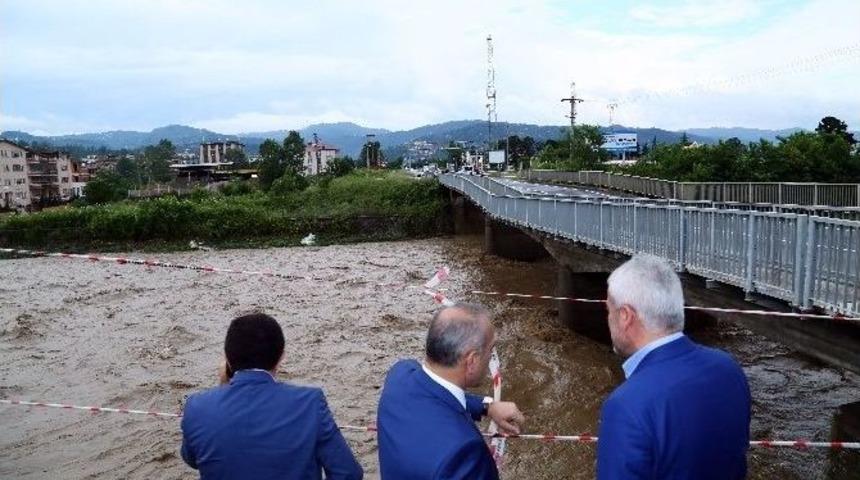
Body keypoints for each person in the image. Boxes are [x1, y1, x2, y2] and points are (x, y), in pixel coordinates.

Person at [597, 254, 751, 480]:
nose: (607, 319)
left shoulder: (626, 405)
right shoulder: (728, 368)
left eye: (609, 310)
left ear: (625, 316)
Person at [180, 313, 363, 480]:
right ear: (281, 357)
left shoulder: (197, 407)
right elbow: (348, 473)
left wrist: (223, 388)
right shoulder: (310, 403)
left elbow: (192, 458)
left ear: (226, 359)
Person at [377, 303, 525, 480]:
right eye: (490, 349)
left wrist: (488, 406)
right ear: (471, 361)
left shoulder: (399, 375)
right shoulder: (465, 454)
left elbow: (435, 392)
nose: (491, 357)